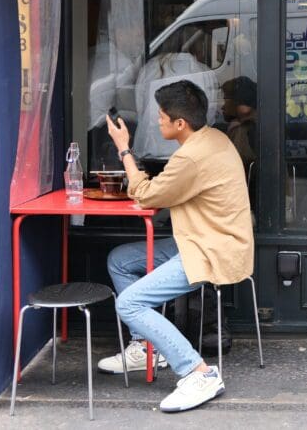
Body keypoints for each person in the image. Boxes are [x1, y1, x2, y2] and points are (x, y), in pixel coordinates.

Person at [100, 80, 253, 413]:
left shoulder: (192, 158)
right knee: (121, 260)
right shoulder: (214, 137)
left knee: (128, 304)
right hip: (200, 237)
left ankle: (199, 372)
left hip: (210, 248)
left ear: (180, 124)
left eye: (162, 115)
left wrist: (124, 148)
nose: (157, 121)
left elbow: (146, 195)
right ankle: (146, 347)